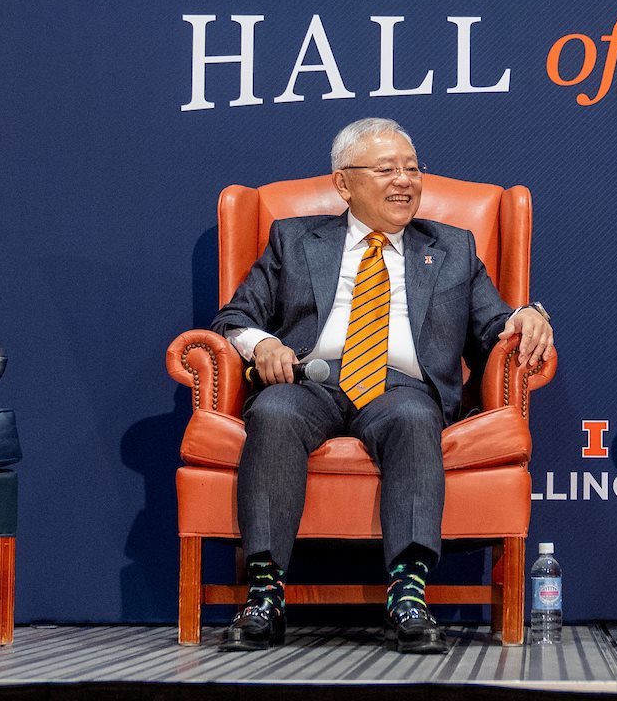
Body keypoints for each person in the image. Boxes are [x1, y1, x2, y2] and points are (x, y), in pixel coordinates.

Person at [211, 117, 555, 654]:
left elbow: (493, 329)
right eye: (386, 169)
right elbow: (235, 317)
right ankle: (263, 592)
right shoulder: (295, 238)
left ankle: (410, 593)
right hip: (311, 382)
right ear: (344, 183)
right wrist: (264, 346)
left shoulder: (453, 248)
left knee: (416, 418)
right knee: (273, 410)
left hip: (401, 390)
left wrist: (527, 317)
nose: (405, 181)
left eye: (413, 169)